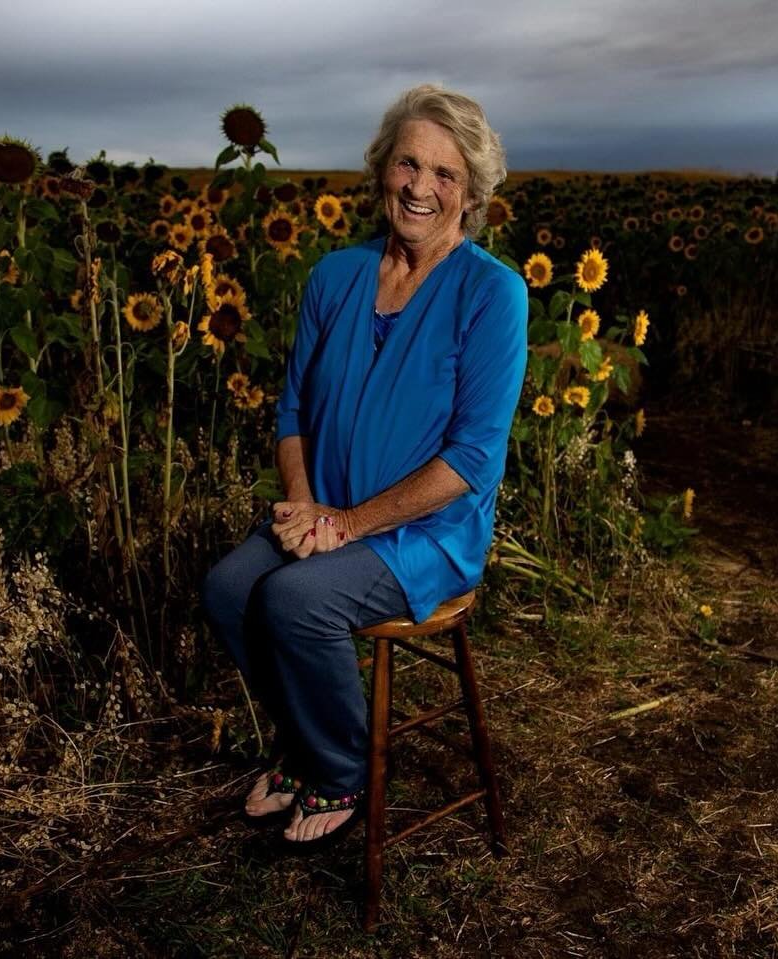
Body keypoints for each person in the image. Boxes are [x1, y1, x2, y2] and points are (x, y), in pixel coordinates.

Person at [200, 84, 528, 843]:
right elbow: (293, 414)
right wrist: (306, 502)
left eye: (445, 174)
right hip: (327, 507)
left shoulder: (492, 294)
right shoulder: (334, 276)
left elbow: (471, 461)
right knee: (227, 588)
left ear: (471, 193)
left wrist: (347, 525)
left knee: (293, 601)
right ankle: (304, 741)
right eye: (408, 163)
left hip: (424, 534)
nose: (420, 186)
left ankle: (342, 770)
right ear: (382, 168)